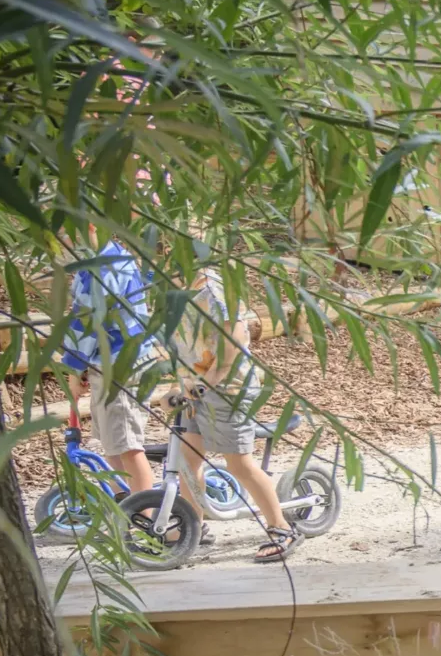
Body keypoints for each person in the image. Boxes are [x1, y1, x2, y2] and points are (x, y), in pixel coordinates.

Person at [172, 261, 299, 564]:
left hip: (229, 389)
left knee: (239, 465)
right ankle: (195, 527)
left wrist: (211, 380)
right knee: (188, 461)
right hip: (196, 388)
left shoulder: (214, 290)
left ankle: (282, 527)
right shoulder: (178, 289)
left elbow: (235, 337)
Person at [61, 229, 161, 494]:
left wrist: (73, 370)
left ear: (90, 227)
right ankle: (126, 506)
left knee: (128, 447)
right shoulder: (114, 255)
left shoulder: (102, 271)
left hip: (119, 365)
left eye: (65, 232)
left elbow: (86, 326)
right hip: (112, 361)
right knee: (114, 444)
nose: (63, 240)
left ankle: (148, 521)